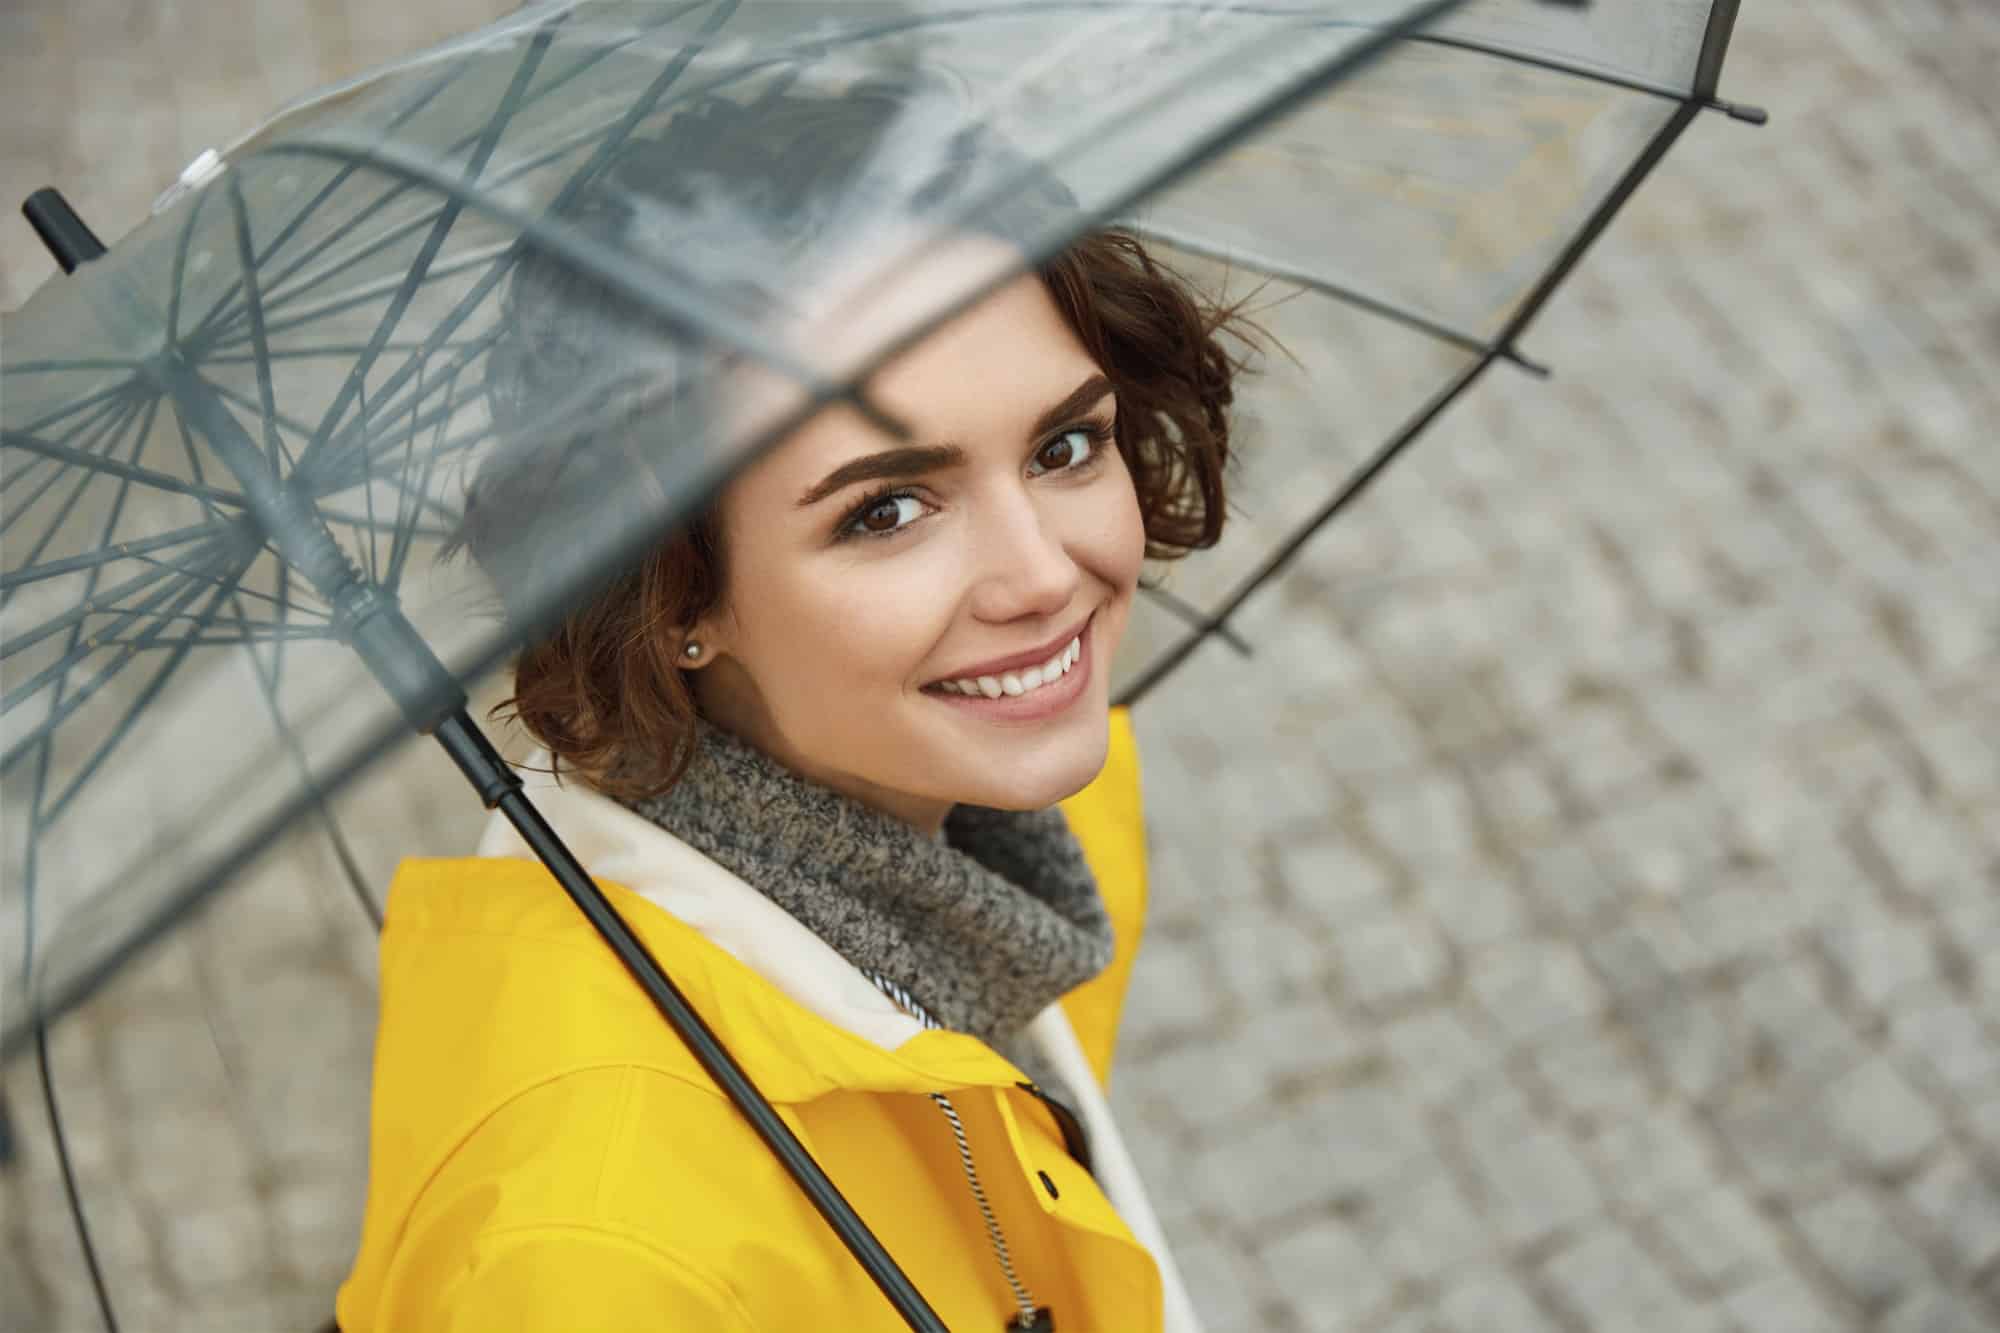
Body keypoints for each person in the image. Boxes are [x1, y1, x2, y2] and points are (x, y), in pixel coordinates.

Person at [336, 72, 1262, 1333]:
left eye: (1063, 446)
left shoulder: (1015, 800)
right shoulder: (595, 1264)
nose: (1045, 575)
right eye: (884, 510)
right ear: (671, 593)